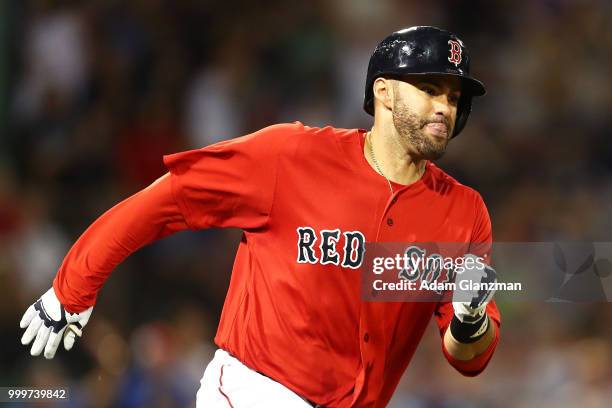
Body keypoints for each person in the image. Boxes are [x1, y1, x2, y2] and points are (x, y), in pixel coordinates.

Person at [19, 26, 501, 407]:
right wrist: (73, 286)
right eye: (430, 89)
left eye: (454, 97)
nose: (444, 106)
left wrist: (469, 320)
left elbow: (469, 359)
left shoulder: (464, 212)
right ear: (385, 92)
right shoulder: (290, 156)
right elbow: (162, 204)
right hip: (257, 392)